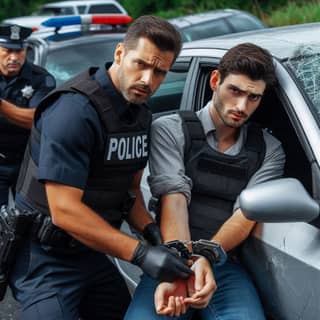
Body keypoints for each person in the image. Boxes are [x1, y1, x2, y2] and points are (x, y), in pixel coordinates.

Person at [9, 15, 193, 320]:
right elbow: (64, 210)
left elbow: (128, 191)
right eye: (141, 65)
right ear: (120, 53)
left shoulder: (140, 115)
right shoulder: (73, 110)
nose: (148, 80)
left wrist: (153, 235)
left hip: (91, 252)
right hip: (44, 259)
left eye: (160, 72)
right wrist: (142, 254)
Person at [124, 43, 286, 319]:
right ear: (215, 81)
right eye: (234, 91)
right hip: (170, 257)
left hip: (223, 263)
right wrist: (179, 267)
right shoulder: (170, 129)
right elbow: (174, 199)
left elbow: (245, 215)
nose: (241, 106)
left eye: (253, 98)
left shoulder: (270, 149)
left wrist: (206, 258)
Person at [0, 24, 56, 206]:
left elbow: (35, 120)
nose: (14, 57)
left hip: (28, 163)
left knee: (27, 222)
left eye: (20, 51)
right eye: (7, 51)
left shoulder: (40, 78)